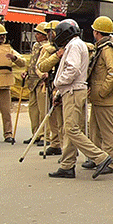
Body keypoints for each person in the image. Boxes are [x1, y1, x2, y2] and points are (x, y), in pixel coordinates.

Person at [47, 19, 113, 179]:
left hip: (73, 91)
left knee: (71, 129)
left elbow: (73, 69)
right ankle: (67, 165)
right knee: (71, 129)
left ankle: (101, 157)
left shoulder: (74, 46)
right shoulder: (75, 44)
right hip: (73, 91)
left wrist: (58, 82)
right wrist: (58, 93)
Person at [80, 16, 113, 175]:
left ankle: (111, 162)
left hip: (104, 98)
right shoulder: (101, 47)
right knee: (94, 129)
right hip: (97, 98)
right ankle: (97, 158)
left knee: (107, 131)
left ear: (97, 32)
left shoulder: (107, 49)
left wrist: (102, 91)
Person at [36, 21, 64, 156]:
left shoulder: (70, 46)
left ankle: (66, 147)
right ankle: (55, 143)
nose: (48, 35)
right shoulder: (48, 49)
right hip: (51, 84)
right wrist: (56, 56)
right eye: (47, 32)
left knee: (63, 119)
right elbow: (41, 66)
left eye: (50, 32)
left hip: (64, 86)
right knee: (52, 116)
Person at [24, 22, 50, 146]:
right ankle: (35, 134)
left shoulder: (47, 47)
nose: (36, 35)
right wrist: (26, 71)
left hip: (41, 82)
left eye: (39, 33)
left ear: (45, 35)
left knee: (43, 110)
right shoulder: (35, 46)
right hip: (32, 81)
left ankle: (45, 135)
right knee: (33, 110)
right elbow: (32, 61)